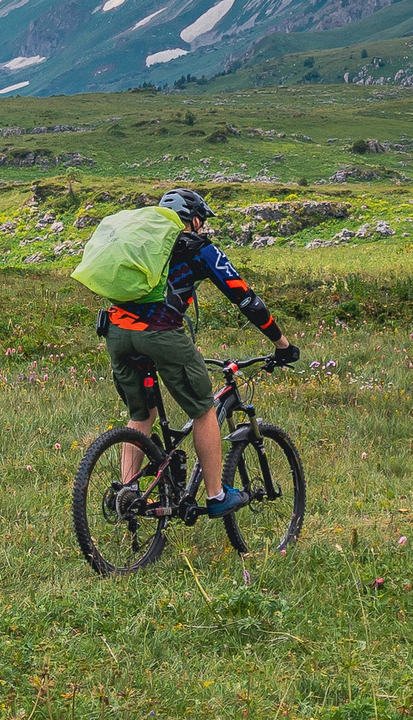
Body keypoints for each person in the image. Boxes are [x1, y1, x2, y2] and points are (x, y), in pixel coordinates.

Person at [99, 188, 295, 518]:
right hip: (159, 334)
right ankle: (217, 495)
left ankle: (128, 494)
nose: (202, 228)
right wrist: (281, 344)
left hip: (117, 333)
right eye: (201, 222)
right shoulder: (198, 248)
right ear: (193, 220)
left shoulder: (140, 241)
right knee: (204, 409)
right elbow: (245, 298)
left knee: (141, 413)